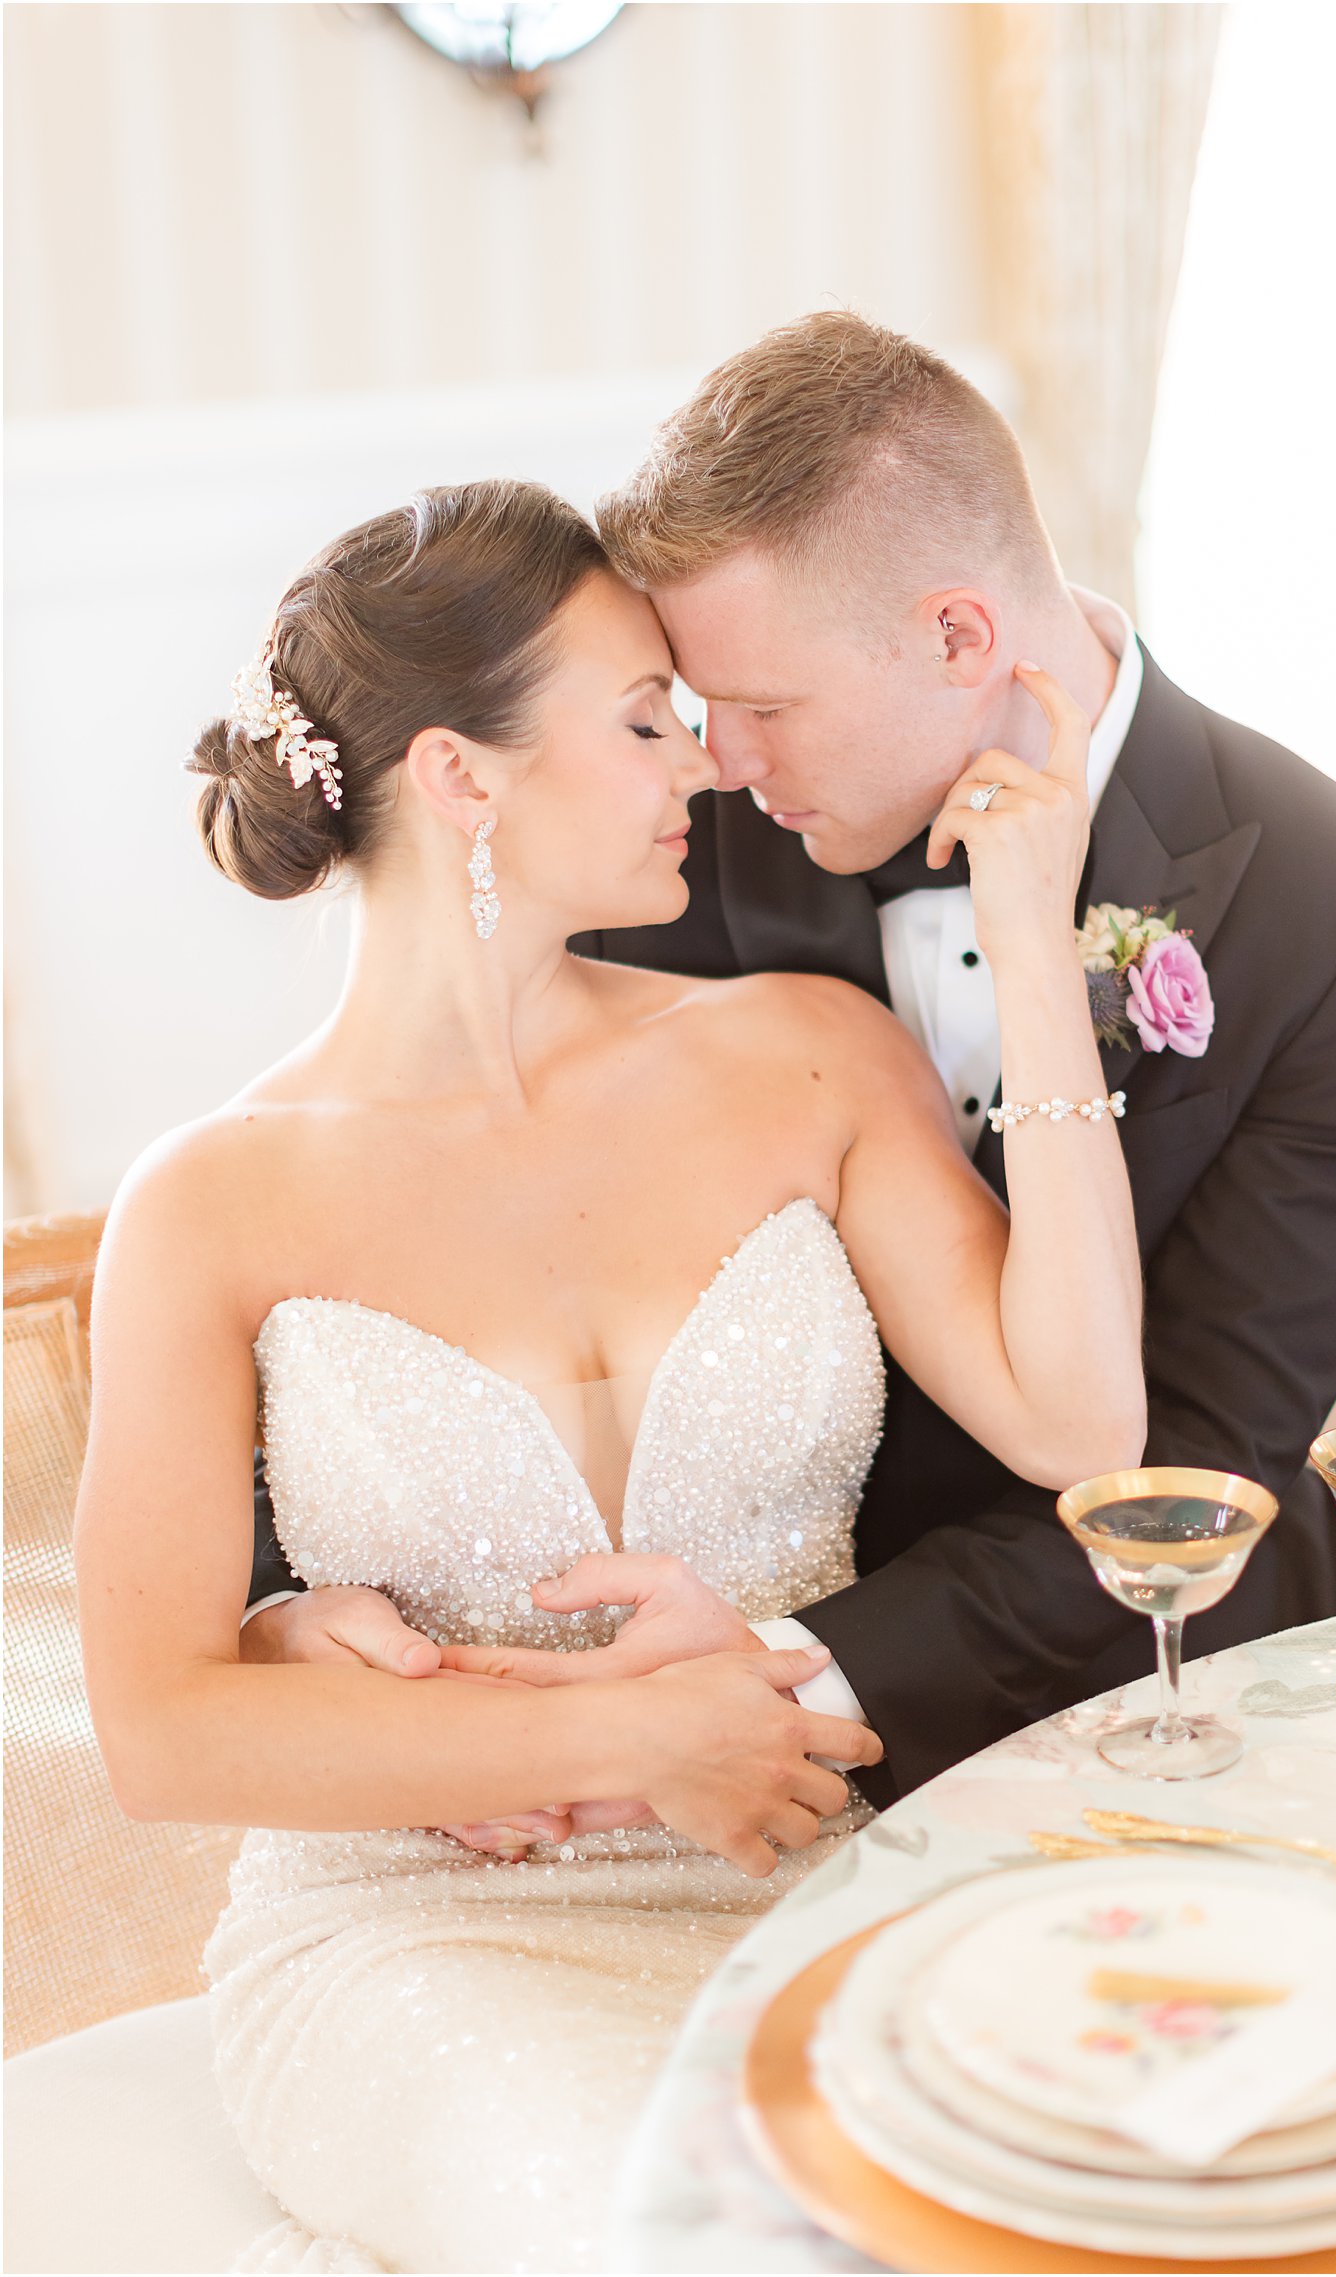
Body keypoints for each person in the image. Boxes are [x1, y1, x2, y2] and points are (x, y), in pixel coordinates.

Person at [75, 475, 1145, 2272]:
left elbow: (1083, 1417)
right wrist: (637, 1735)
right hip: (427, 1936)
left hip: (823, 1858)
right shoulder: (208, 1203)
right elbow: (158, 1725)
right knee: (687, 2221)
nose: (704, 765)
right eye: (648, 719)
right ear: (460, 776)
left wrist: (1033, 945)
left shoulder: (807, 1056)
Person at [248, 313, 1336, 1833]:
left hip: (1167, 1676)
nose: (714, 761)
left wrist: (786, 1673)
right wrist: (282, 1605)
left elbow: (1190, 1470)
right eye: (687, 708)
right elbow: (410, 1171)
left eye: (756, 708)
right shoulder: (662, 835)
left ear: (955, 636)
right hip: (677, 1701)